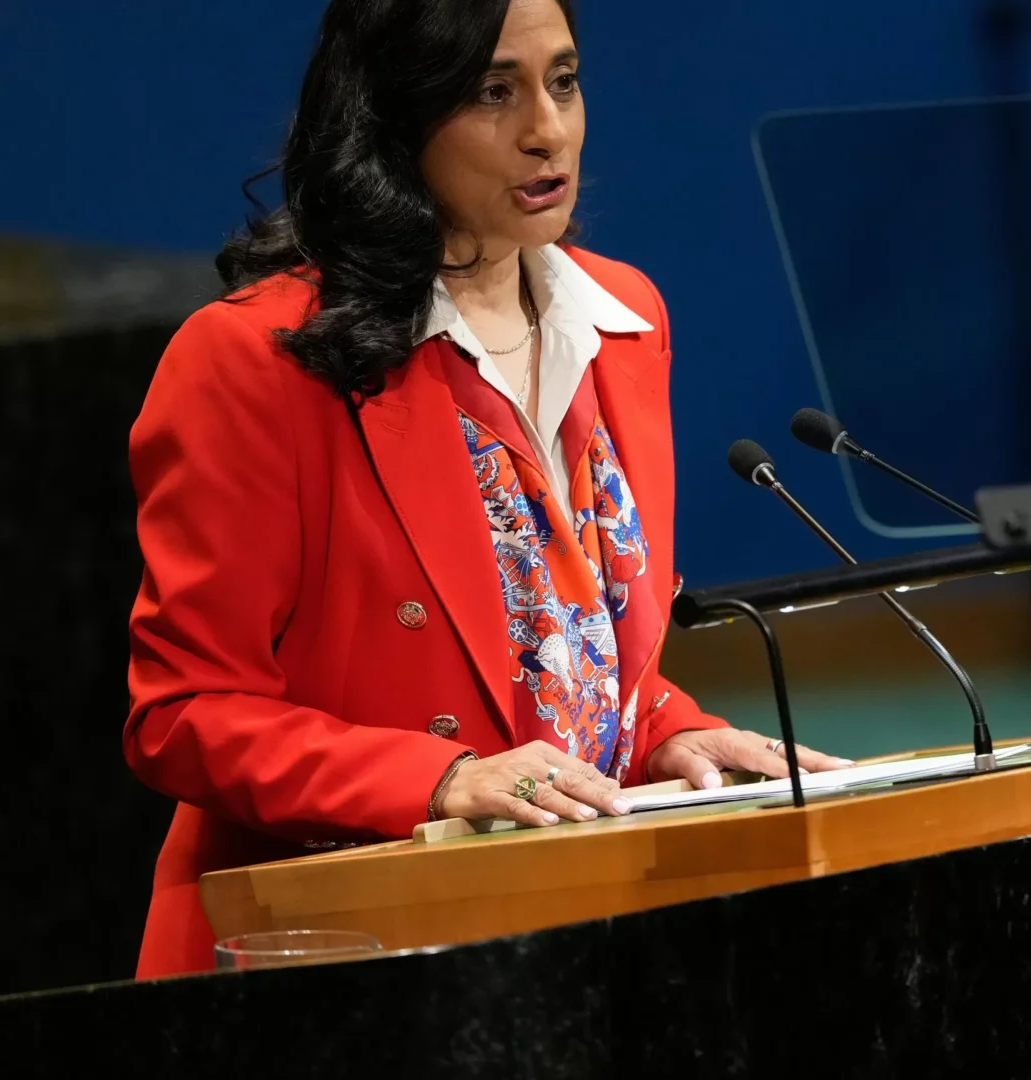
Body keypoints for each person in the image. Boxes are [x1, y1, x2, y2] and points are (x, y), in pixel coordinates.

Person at [122, 0, 849, 977]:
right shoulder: (258, 359)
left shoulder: (626, 319)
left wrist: (667, 732)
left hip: (567, 929)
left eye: (564, 82)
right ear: (396, 112)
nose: (547, 130)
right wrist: (439, 778)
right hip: (329, 945)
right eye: (493, 92)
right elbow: (184, 713)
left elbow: (565, 641)